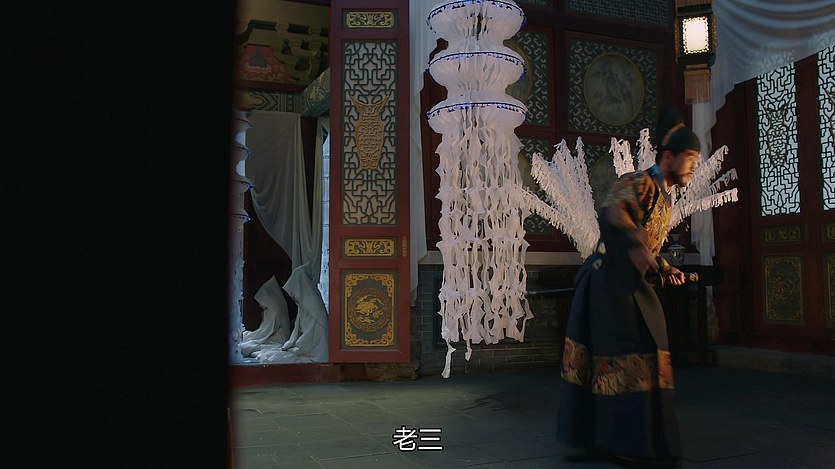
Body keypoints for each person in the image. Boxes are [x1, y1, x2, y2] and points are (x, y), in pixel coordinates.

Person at [556, 110, 700, 467]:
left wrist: (665, 267)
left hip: (625, 284)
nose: (694, 167)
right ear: (669, 157)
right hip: (606, 282)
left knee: (642, 355)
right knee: (619, 358)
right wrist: (636, 242)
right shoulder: (637, 181)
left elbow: (648, 246)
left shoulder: (665, 197)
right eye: (691, 159)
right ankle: (617, 442)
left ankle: (630, 441)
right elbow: (612, 212)